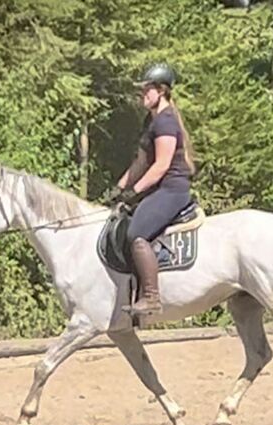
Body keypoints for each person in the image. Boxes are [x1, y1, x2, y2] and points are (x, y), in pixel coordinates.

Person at [116, 62, 196, 316]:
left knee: (136, 233)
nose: (143, 94)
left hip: (173, 190)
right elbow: (140, 163)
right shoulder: (150, 121)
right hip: (159, 189)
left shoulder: (165, 122)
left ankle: (151, 297)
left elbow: (161, 166)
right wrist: (118, 188)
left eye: (147, 89)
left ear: (161, 91)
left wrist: (134, 191)